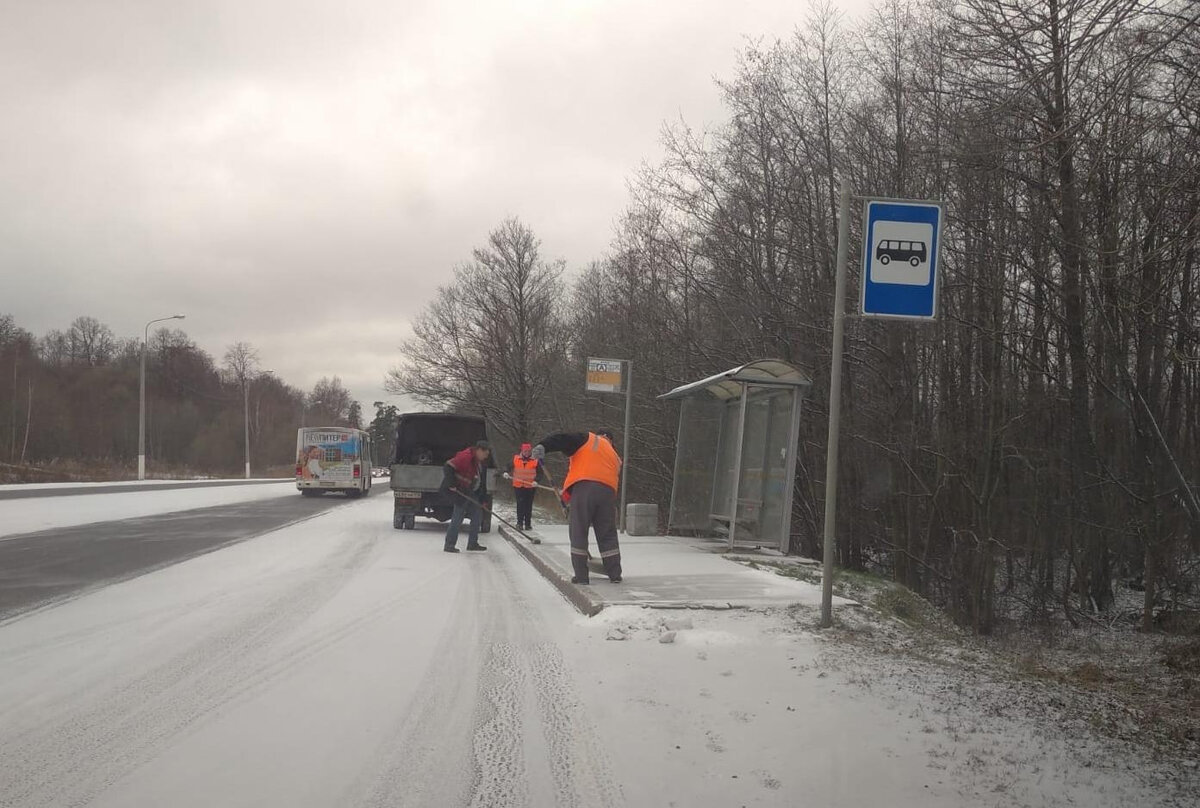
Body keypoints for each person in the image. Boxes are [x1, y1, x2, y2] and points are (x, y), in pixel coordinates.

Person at [531, 429, 621, 584]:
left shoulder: (589, 439)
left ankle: (581, 575)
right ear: (611, 440)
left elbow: (563, 438)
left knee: (578, 529)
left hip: (586, 486)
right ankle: (614, 573)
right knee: (607, 533)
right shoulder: (615, 455)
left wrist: (543, 446)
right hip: (608, 494)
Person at [440, 440, 491, 553]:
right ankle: (449, 544)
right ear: (479, 450)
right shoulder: (465, 457)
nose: (486, 456)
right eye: (485, 454)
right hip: (459, 490)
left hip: (470, 491)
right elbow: (447, 467)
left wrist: (483, 499)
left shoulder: (480, 462)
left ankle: (472, 543)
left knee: (477, 515)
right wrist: (452, 484)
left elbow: (482, 482)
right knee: (458, 517)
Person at [506, 442, 546, 530]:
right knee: (520, 504)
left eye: (528, 451)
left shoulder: (535, 460)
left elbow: (540, 473)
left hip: (530, 487)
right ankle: (519, 523)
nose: (527, 453)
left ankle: (528, 524)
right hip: (518, 486)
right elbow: (508, 467)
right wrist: (506, 472)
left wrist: (536, 481)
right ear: (522, 451)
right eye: (525, 451)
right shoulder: (516, 459)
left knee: (528, 505)